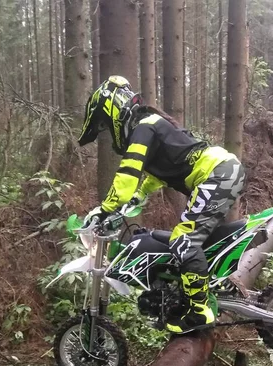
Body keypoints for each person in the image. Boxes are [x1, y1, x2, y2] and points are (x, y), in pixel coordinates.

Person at [78, 75, 245, 334]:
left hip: (217, 172)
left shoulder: (144, 126)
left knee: (184, 240)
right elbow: (160, 172)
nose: (108, 133)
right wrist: (138, 196)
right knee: (193, 241)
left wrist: (105, 209)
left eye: (104, 124)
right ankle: (205, 291)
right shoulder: (149, 127)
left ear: (113, 111)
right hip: (221, 171)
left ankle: (200, 311)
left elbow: (126, 176)